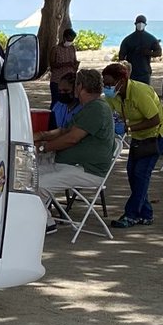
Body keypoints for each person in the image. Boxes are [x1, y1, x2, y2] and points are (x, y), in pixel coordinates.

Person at [35, 68, 117, 233]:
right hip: (72, 165)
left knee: (40, 185)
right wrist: (40, 136)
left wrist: (44, 147)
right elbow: (63, 131)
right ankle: (42, 218)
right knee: (28, 178)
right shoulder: (89, 107)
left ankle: (46, 223)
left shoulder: (97, 109)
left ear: (80, 87)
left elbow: (72, 138)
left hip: (87, 170)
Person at [102, 62, 163, 228]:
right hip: (138, 135)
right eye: (104, 84)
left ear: (122, 81)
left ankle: (131, 215)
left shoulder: (140, 92)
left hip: (158, 133)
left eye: (110, 84)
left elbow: (154, 120)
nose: (107, 87)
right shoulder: (112, 96)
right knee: (132, 173)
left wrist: (127, 128)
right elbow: (107, 113)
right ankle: (146, 214)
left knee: (141, 173)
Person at [117, 15, 162, 85]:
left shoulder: (150, 39)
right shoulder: (128, 40)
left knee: (145, 90)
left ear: (145, 24)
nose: (140, 24)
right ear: (135, 24)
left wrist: (148, 52)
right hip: (131, 73)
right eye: (139, 22)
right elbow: (121, 56)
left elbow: (159, 52)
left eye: (142, 22)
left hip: (145, 72)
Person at [48, 28, 79, 105]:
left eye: (72, 40)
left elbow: (74, 60)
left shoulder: (72, 48)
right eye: (69, 39)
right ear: (64, 38)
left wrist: (75, 65)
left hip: (70, 80)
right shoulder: (55, 49)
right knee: (56, 101)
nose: (70, 41)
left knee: (70, 101)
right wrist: (65, 64)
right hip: (57, 80)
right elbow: (52, 65)